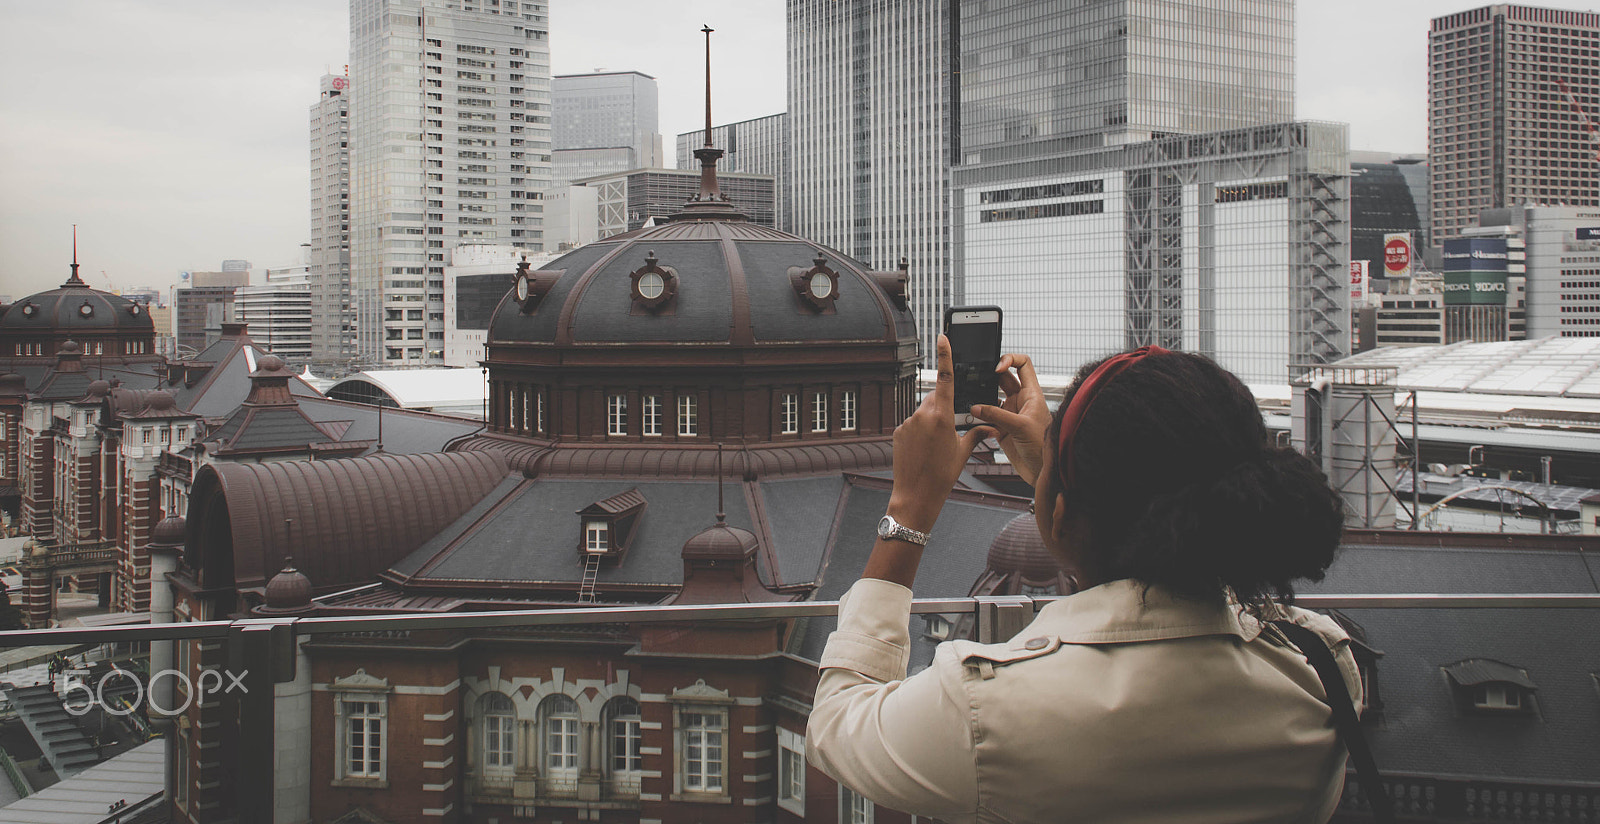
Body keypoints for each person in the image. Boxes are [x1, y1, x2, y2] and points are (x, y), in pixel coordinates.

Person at [808, 337, 1357, 823]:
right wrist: (1057, 481)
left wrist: (910, 510)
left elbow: (836, 723)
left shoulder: (988, 711)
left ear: (1066, 514)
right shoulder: (1320, 671)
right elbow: (1193, 540)